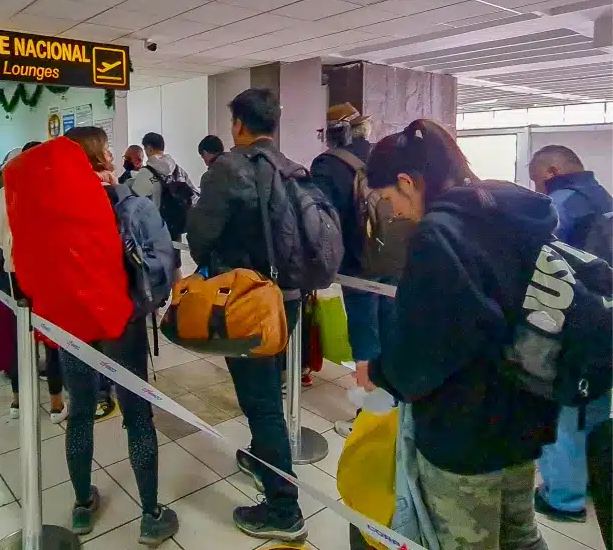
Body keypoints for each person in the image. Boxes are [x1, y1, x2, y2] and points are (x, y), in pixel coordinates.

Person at [362, 119, 556, 550]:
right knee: (521, 537)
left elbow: (423, 354)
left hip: (466, 429)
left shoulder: (439, 235)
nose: (393, 211)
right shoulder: (514, 213)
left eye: (389, 198)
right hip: (526, 415)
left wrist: (379, 370)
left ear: (408, 181)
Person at [187, 88, 306, 543]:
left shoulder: (228, 168)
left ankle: (283, 507)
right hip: (290, 298)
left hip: (248, 302)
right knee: (267, 385)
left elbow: (200, 234)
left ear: (238, 125)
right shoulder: (292, 167)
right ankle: (261, 458)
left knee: (261, 402)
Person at [55, 126, 178, 545]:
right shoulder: (131, 203)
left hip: (71, 320)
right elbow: (161, 264)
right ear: (101, 156)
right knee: (137, 415)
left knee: (80, 412)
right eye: (106, 147)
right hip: (120, 322)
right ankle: (150, 513)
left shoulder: (52, 203)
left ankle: (81, 506)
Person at [528, 144, 613, 523]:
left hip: (572, 323)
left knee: (562, 409)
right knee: (595, 405)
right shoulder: (602, 196)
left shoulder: (559, 204)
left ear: (552, 170)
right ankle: (596, 477)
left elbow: (539, 256)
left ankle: (562, 497)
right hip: (606, 321)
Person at [310, 103, 397, 436]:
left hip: (357, 264)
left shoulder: (328, 165)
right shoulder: (384, 155)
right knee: (389, 328)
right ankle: (394, 410)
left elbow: (320, 220)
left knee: (364, 337)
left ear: (333, 134)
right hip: (394, 259)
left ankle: (370, 418)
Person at [0, 140, 67, 424]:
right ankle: (56, 400)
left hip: (18, 274)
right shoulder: (59, 189)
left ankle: (19, 398)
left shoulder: (8, 192)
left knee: (19, 335)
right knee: (53, 337)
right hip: (51, 274)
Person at [129, 132, 197, 281]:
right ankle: (178, 299)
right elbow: (193, 194)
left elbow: (135, 203)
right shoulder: (178, 169)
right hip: (175, 225)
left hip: (154, 229)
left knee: (155, 266)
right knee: (176, 265)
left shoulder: (145, 173)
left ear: (148, 149)